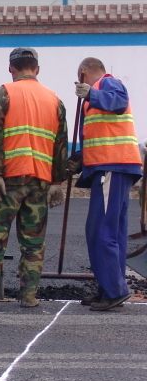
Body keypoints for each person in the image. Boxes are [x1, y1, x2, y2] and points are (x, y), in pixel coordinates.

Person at [0, 48, 67, 308]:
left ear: (11, 68)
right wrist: (58, 182)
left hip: (10, 180)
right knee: (33, 242)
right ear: (37, 69)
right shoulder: (55, 99)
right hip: (41, 181)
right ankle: (28, 296)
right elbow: (60, 145)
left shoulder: (4, 93)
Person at [70, 57, 141, 311]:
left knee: (101, 230)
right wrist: (80, 160)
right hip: (113, 167)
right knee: (111, 232)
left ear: (83, 72)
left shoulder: (108, 83)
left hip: (112, 166)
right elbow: (101, 133)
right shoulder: (98, 93)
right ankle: (108, 288)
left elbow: (119, 102)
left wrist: (91, 93)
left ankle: (114, 290)